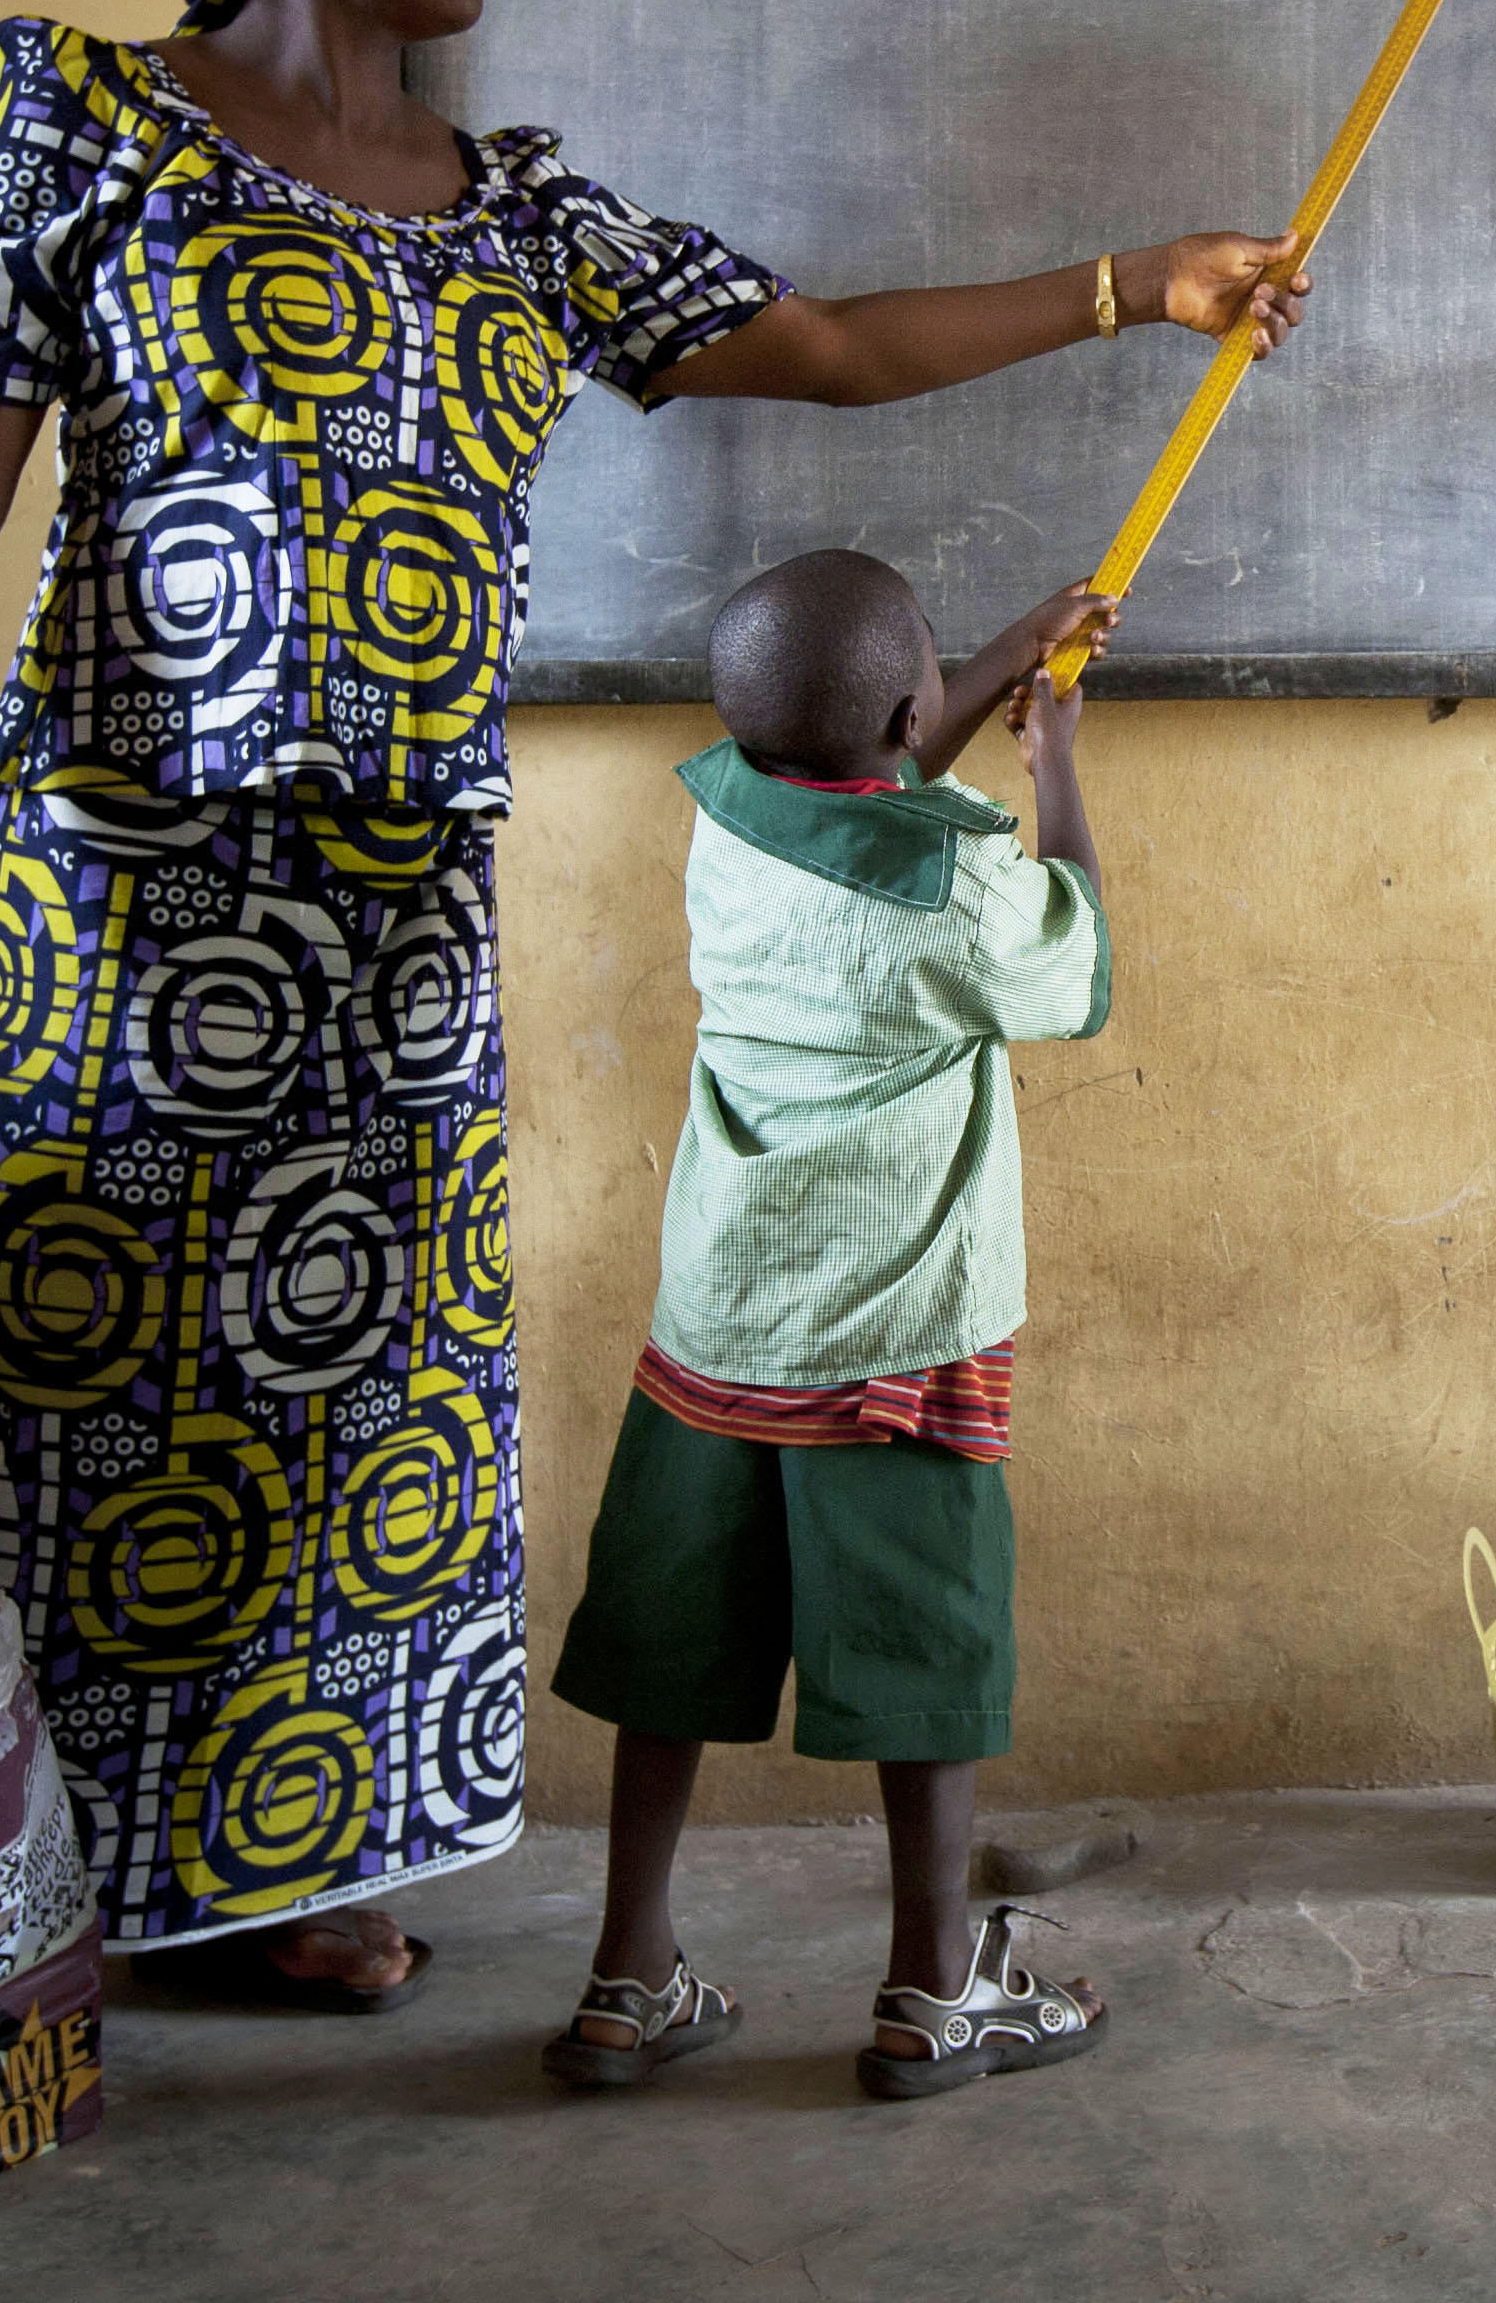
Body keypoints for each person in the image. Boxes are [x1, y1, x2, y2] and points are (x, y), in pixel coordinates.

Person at [0, 0, 1300, 2006]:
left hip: (400, 914)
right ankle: (59, 1892)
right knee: (84, 1369)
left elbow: (815, 339)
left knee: (352, 1404)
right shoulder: (75, 115)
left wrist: (1138, 286)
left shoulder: (516, 207)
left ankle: (290, 1870)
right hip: (130, 885)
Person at [542, 549, 1117, 2100]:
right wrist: (1055, 760)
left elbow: (863, 778)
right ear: (906, 704)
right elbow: (1071, 958)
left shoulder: (729, 816)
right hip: (896, 1339)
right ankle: (932, 1993)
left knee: (670, 1646)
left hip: (720, 1325)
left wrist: (999, 645)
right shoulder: (958, 881)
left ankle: (626, 1977)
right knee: (923, 1655)